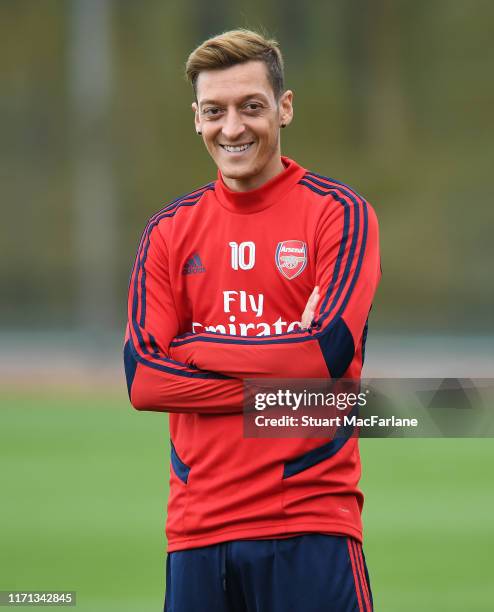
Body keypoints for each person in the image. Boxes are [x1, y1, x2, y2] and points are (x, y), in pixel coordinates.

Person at [124, 28, 380, 612]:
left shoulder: (338, 214)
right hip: (197, 532)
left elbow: (323, 359)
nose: (232, 128)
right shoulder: (168, 232)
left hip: (311, 521)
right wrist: (284, 376)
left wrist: (190, 347)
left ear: (284, 108)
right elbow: (144, 381)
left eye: (252, 107)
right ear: (196, 118)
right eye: (215, 111)